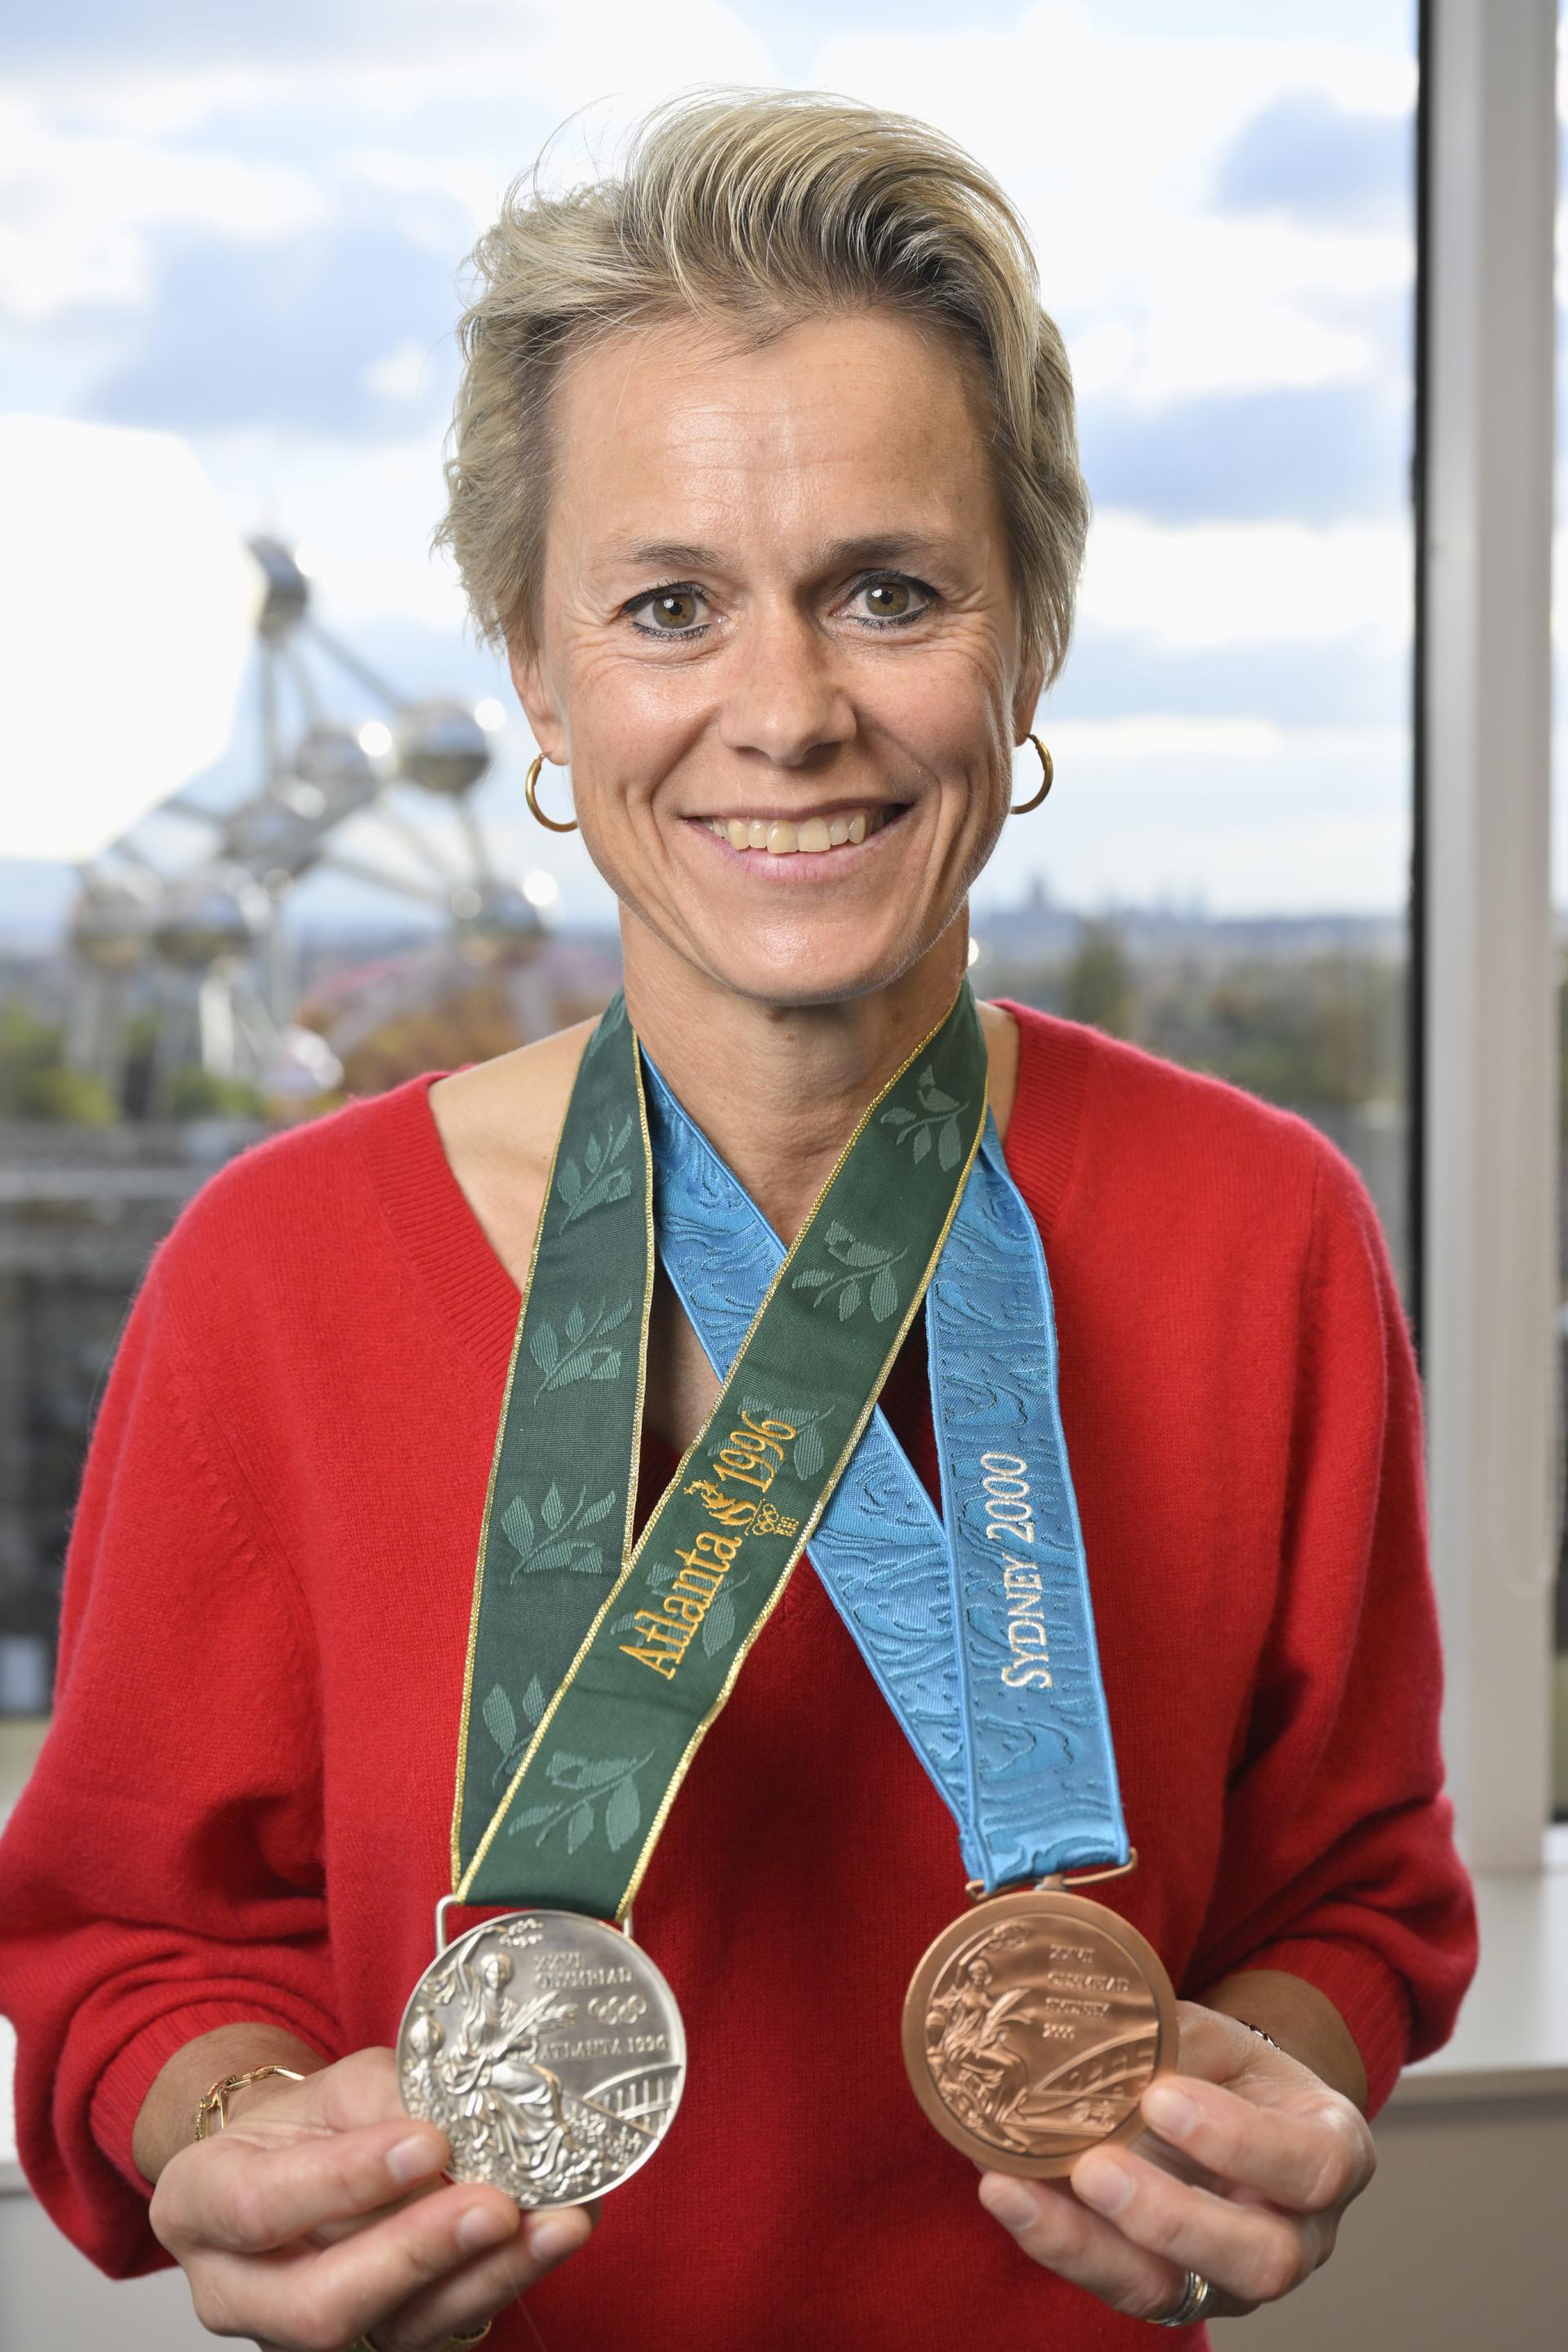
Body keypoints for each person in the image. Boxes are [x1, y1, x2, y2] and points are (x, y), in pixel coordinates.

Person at [0, 88, 1477, 2352]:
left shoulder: (1260, 1231)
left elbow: (1360, 1888)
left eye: (890, 591)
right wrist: (242, 2128)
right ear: (537, 677)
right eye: (671, 605)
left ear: (1026, 647)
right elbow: (121, 1949)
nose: (786, 712)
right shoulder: (274, 1277)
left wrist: (1265, 2097)